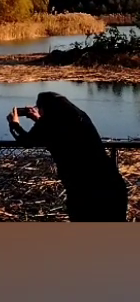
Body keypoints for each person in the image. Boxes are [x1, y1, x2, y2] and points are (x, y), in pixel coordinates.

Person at [7, 90, 128, 221]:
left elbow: (26, 141)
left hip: (84, 191)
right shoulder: (79, 116)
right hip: (112, 184)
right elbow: (57, 130)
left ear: (43, 108)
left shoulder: (48, 123)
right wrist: (39, 119)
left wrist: (14, 124)